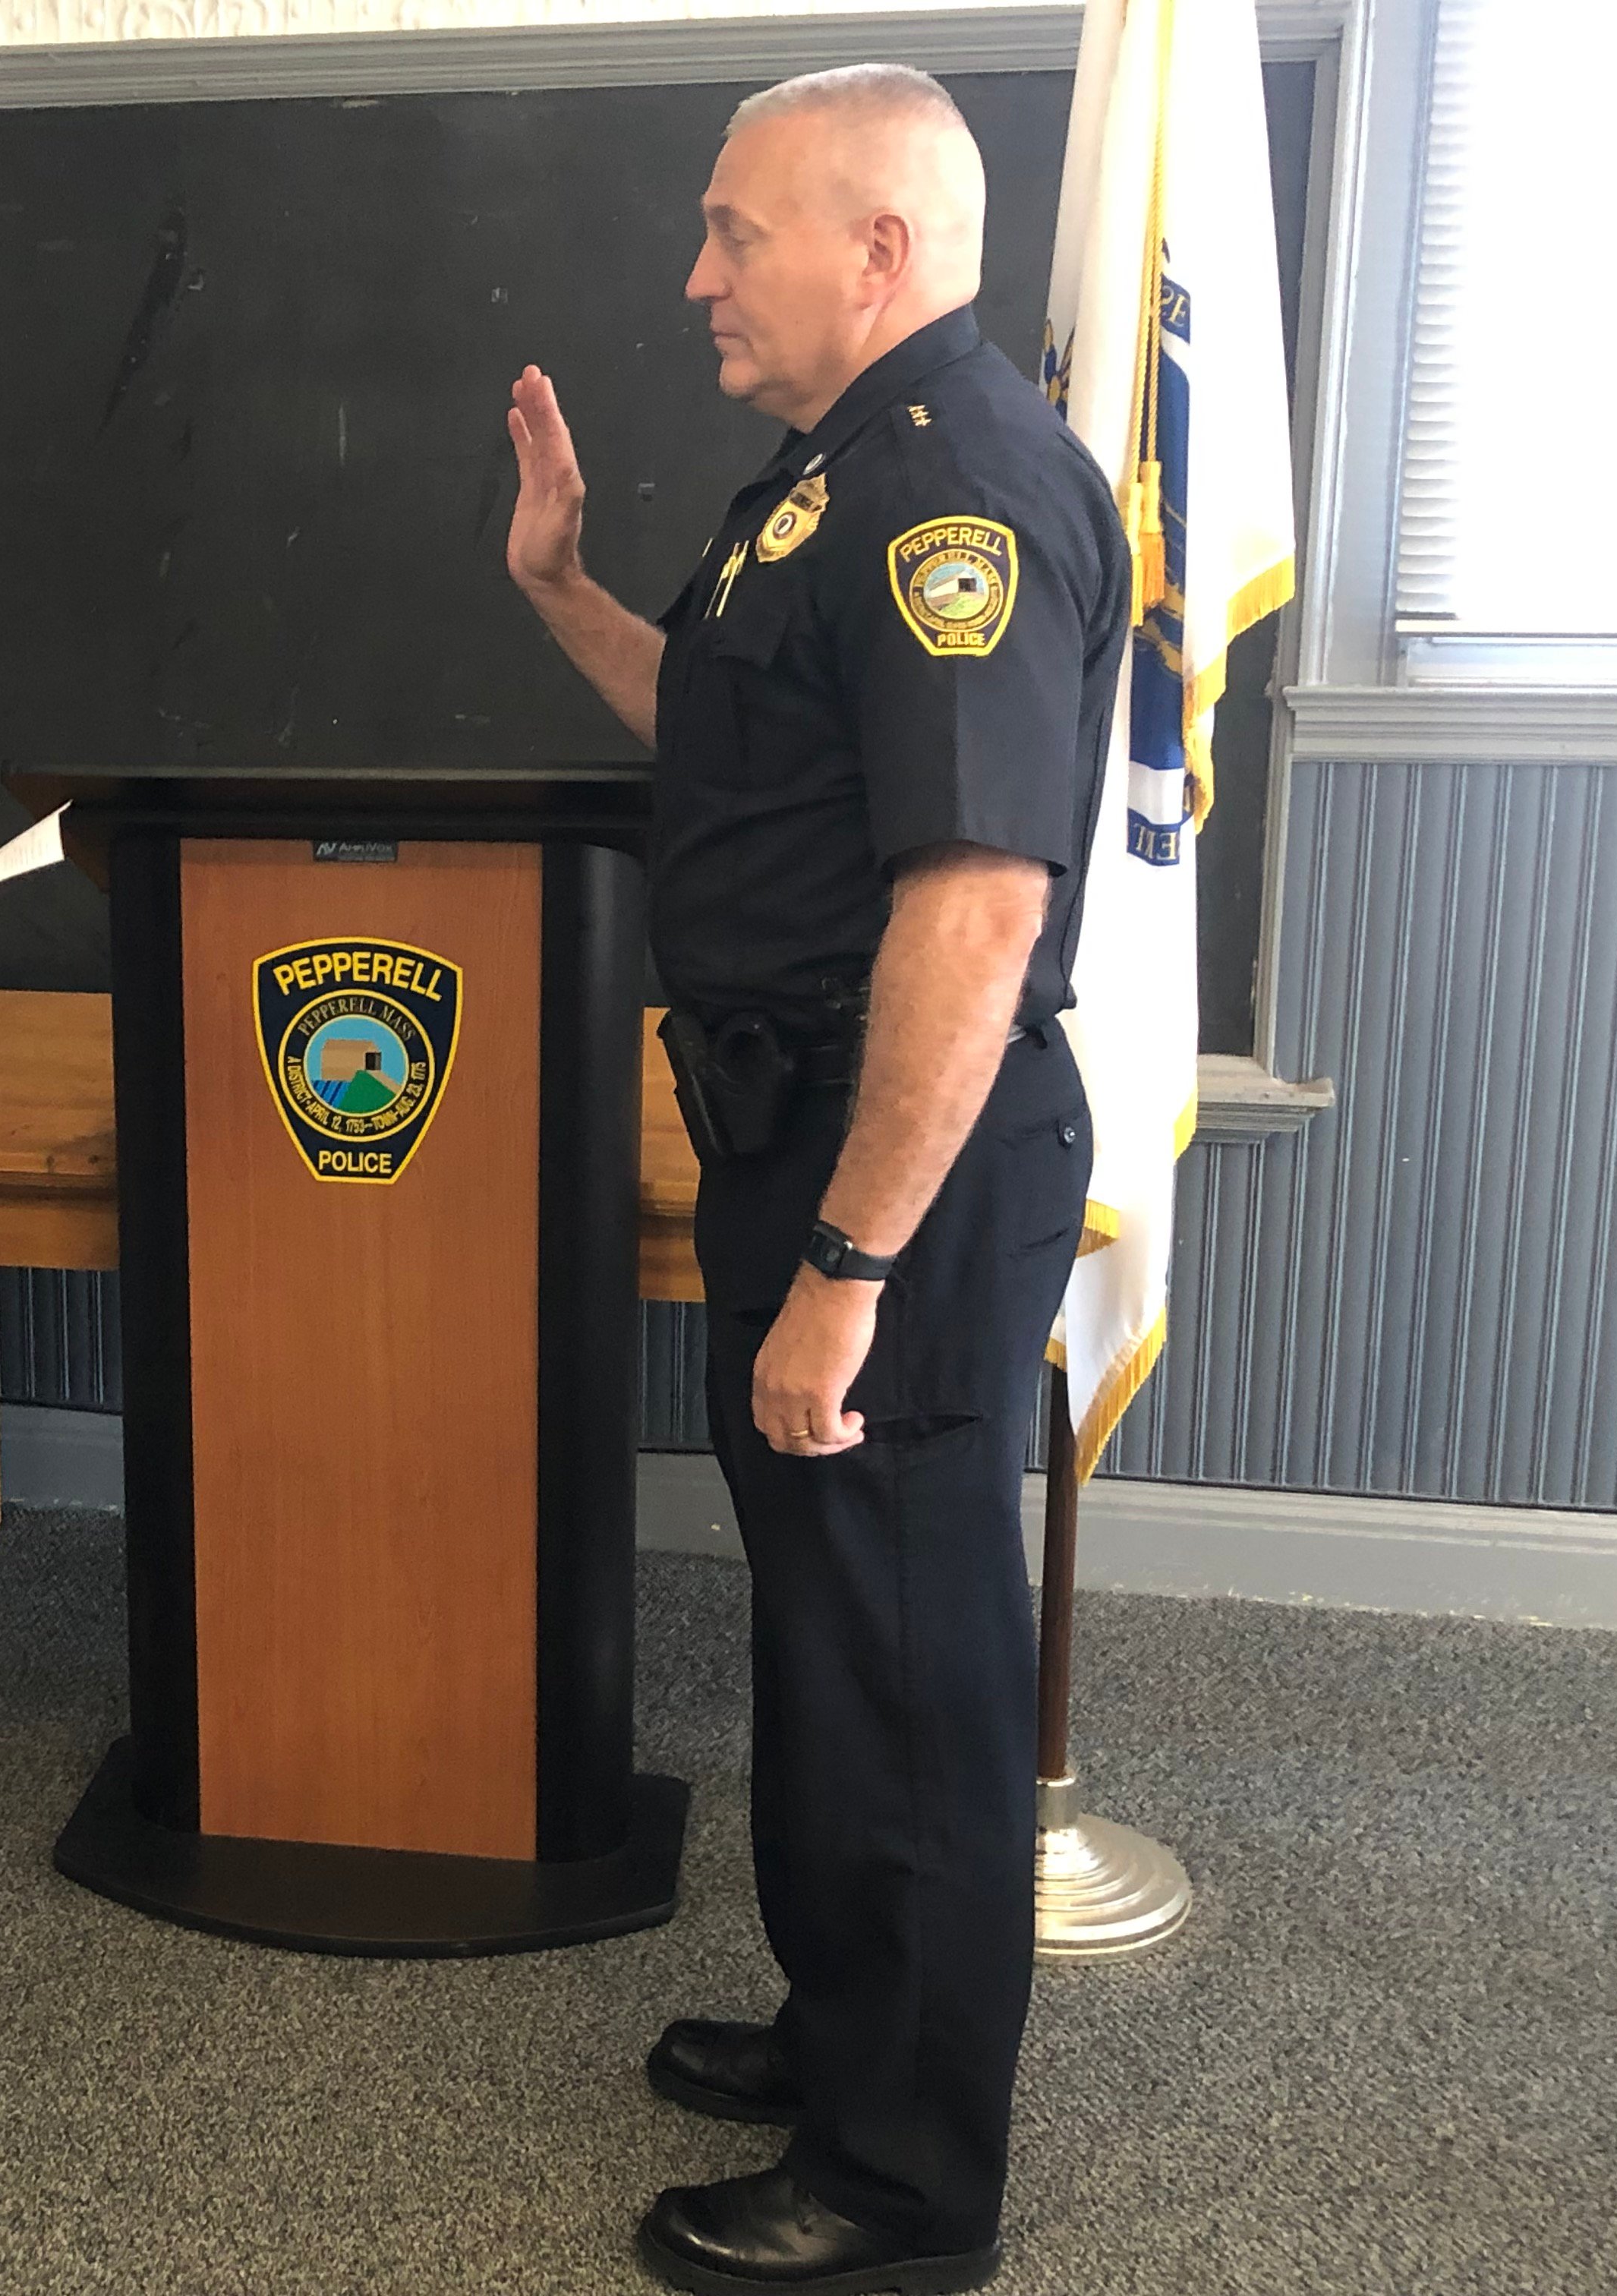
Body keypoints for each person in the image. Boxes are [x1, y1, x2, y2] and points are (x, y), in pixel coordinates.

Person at [506, 65, 1128, 2296]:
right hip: (817, 1145)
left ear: (875, 246)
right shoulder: (834, 485)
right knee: (832, 1639)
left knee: (915, 1672)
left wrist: (852, 1272)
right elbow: (733, 735)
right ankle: (845, 2028)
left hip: (909, 1178)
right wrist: (561, 586)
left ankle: (901, 2189)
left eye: (729, 232)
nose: (694, 275)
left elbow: (971, 914)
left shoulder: (963, 495)